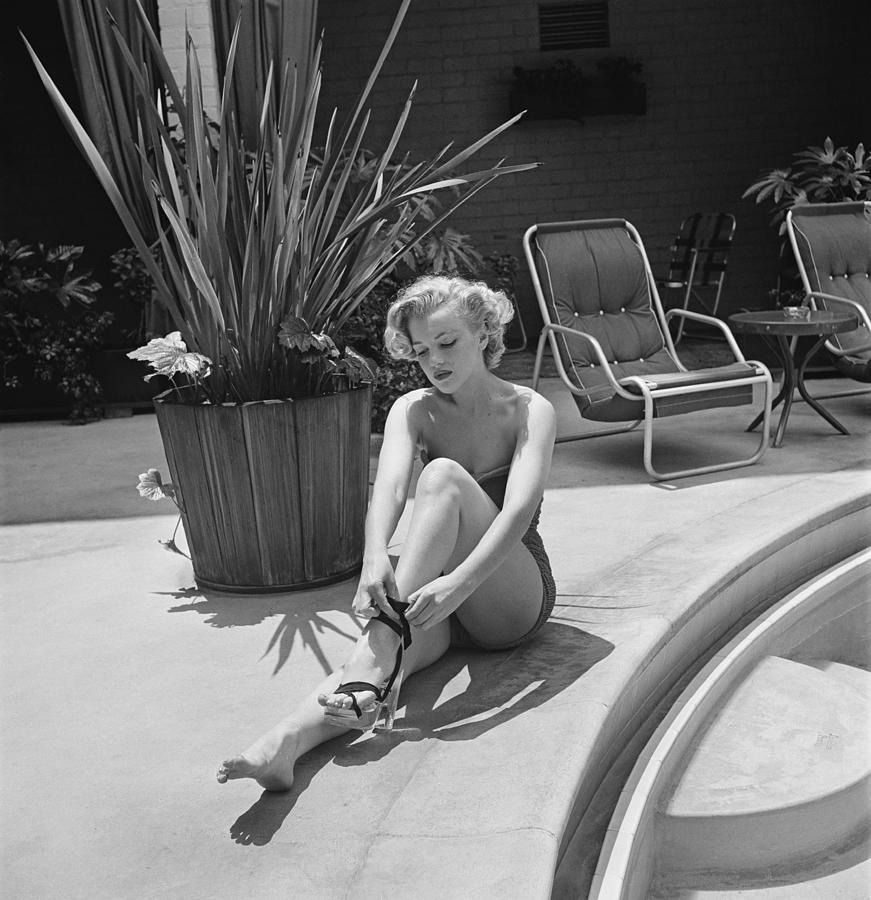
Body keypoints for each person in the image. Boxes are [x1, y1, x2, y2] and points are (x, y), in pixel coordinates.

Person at [217, 275, 557, 791]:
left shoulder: (530, 409)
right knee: (372, 673)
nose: (434, 361)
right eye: (421, 351)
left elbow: (518, 513)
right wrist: (375, 555)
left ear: (484, 333)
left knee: (440, 479)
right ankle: (285, 743)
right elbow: (391, 489)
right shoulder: (414, 409)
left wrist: (457, 584)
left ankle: (380, 644)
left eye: (447, 342)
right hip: (437, 600)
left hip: (507, 595)